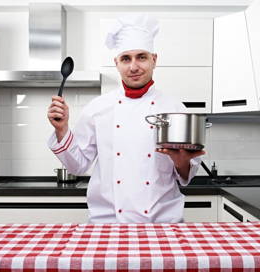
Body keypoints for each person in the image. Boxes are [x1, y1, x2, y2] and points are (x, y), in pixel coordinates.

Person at [47, 14, 205, 223]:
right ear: (116, 63)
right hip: (109, 223)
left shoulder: (175, 108)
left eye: (141, 57)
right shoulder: (98, 108)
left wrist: (182, 163)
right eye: (126, 59)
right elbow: (78, 167)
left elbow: (186, 176)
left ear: (154, 60)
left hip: (163, 224)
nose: (133, 67)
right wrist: (62, 130)